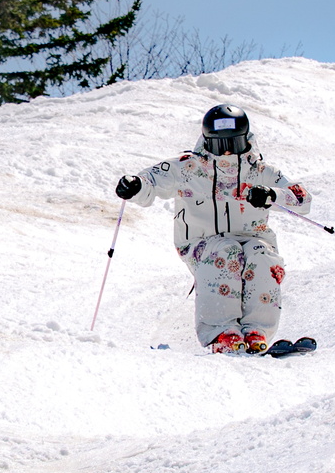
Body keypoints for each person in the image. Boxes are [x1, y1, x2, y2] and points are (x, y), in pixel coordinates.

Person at [115, 104, 313, 353]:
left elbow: (302, 199)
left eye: (234, 143)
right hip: (202, 242)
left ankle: (256, 330)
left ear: (246, 139)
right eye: (220, 145)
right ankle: (221, 330)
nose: (228, 151)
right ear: (207, 142)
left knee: (262, 255)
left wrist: (273, 195)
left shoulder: (261, 172)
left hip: (253, 236)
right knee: (226, 250)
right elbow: (153, 180)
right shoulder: (188, 167)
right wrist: (136, 185)